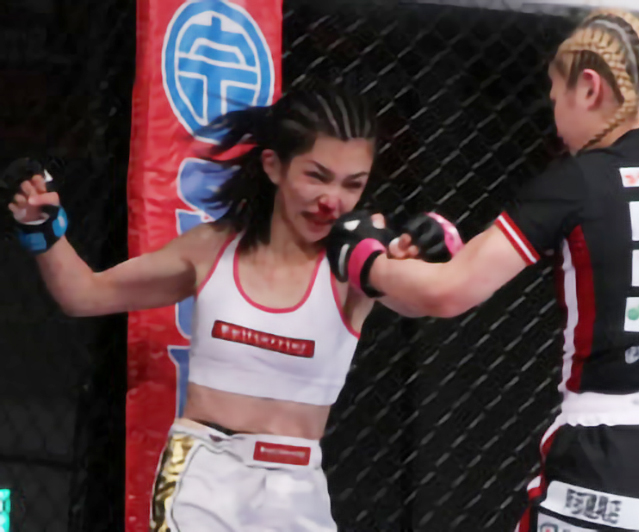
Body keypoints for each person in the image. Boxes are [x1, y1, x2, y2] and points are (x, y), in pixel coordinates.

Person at [2, 87, 459, 531]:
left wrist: (439, 240)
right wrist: (43, 229)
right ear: (273, 165)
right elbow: (85, 294)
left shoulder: (359, 265)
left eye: (352, 184)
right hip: (204, 476)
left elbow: (429, 296)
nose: (332, 200)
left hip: (298, 488)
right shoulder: (212, 249)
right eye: (317, 176)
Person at [328, 10, 639, 532]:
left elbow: (450, 291)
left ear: (589, 87)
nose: (556, 120)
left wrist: (362, 258)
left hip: (609, 447)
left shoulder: (581, 180)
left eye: (555, 97)